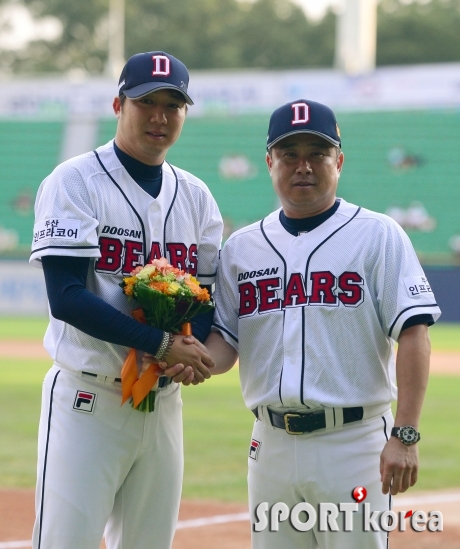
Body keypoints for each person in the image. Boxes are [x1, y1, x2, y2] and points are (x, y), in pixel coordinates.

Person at [199, 99, 441, 548]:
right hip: (269, 442)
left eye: (318, 153)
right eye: (290, 154)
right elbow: (223, 348)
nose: (303, 166)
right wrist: (178, 353)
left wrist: (404, 435)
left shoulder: (377, 235)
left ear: (339, 161)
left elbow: (414, 335)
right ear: (270, 162)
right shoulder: (242, 247)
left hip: (353, 443)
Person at [29, 51, 223, 549]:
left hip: (163, 404)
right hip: (89, 398)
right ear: (119, 104)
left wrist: (189, 351)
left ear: (185, 113)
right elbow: (67, 297)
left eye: (173, 104)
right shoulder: (74, 181)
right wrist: (161, 345)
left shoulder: (197, 196)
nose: (160, 116)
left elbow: (204, 300)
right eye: (146, 102)